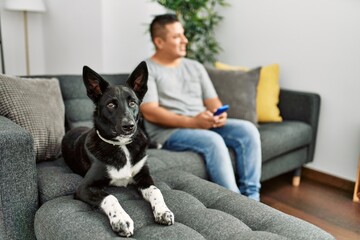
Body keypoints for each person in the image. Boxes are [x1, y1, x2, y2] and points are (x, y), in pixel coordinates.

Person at [140, 14, 262, 201]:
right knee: (212, 140)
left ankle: (253, 199)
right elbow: (149, 111)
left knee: (248, 130)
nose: (185, 40)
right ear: (159, 42)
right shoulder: (147, 69)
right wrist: (193, 122)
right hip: (170, 132)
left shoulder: (195, 66)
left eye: (183, 35)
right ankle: (236, 202)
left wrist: (219, 115)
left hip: (202, 123)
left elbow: (214, 102)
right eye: (177, 36)